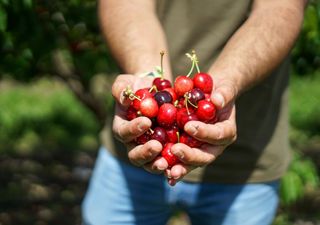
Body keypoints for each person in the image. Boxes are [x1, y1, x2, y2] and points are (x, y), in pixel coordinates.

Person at [82, 0, 308, 224]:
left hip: (246, 165)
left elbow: (281, 8)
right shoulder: (154, 106)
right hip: (134, 154)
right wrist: (147, 72)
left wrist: (227, 84)